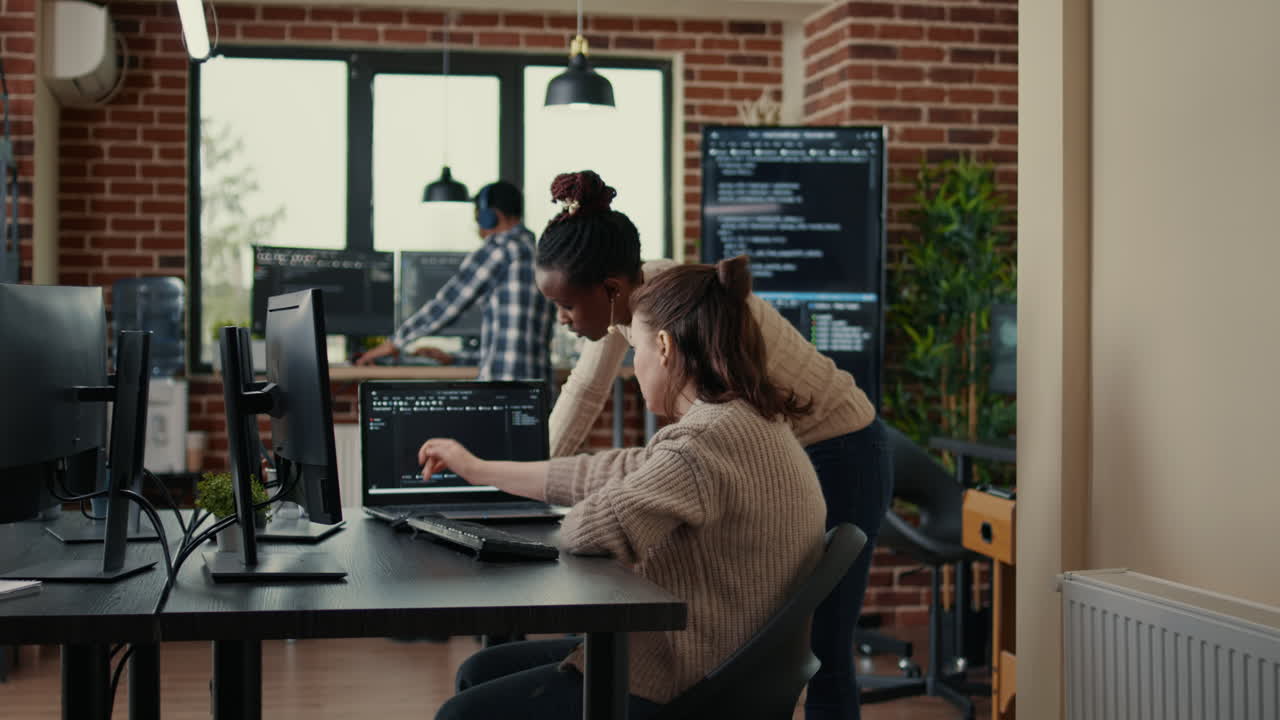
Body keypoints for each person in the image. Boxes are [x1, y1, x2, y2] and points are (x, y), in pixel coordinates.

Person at [533, 170, 893, 720]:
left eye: (567, 304)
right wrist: (530, 474)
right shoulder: (630, 302)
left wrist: (525, 477)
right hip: (783, 446)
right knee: (759, 637)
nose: (563, 319)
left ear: (609, 288)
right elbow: (585, 389)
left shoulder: (664, 301)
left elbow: (593, 396)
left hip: (841, 447)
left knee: (818, 645)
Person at [421, 256, 827, 720]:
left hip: (685, 674)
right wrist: (479, 469)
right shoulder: (747, 422)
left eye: (635, 350)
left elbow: (589, 532)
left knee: (462, 713)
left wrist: (591, 505)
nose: (635, 366)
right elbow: (610, 470)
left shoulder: (701, 443)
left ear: (664, 346)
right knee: (481, 669)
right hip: (728, 662)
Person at [357, 180, 556, 381]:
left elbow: (446, 305)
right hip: (540, 384)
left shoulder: (500, 249)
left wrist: (393, 344)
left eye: (478, 218)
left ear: (490, 216)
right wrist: (454, 358)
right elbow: (515, 347)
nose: (478, 228)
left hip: (504, 387)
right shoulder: (540, 253)